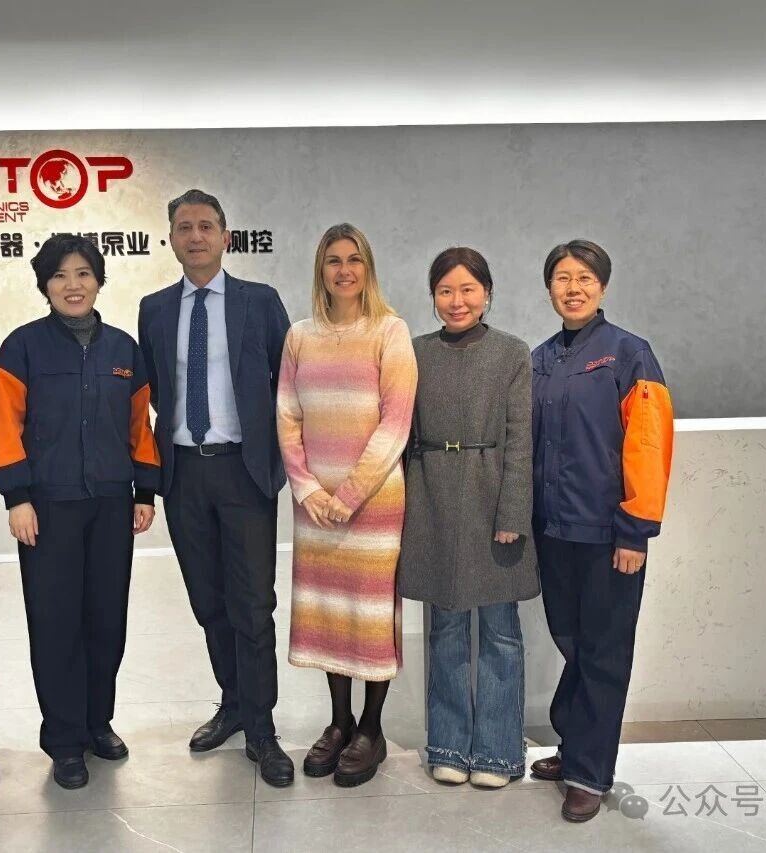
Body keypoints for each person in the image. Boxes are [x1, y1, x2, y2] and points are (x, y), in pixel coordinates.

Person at [0, 234, 161, 789]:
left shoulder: (123, 351)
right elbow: (3, 426)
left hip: (111, 504)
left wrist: (144, 492)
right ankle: (64, 740)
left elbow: (139, 426)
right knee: (56, 622)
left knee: (106, 619)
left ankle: (97, 723)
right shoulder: (22, 348)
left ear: (99, 281)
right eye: (60, 275)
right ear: (45, 285)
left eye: (83, 273)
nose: (73, 285)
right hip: (49, 507)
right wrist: (16, 497)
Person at [136, 189, 294, 787]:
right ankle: (232, 703)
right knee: (209, 601)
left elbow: (288, 380)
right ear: (171, 240)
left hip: (243, 470)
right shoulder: (154, 309)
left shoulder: (260, 301)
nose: (195, 236)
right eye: (184, 227)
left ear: (226, 237)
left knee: (252, 605)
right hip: (183, 472)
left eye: (206, 226)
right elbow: (150, 392)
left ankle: (262, 729)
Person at [528, 239, 674, 822]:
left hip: (610, 536)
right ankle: (574, 744)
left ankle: (589, 772)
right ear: (549, 289)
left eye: (585, 278)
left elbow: (648, 444)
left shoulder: (628, 354)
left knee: (604, 651)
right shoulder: (539, 359)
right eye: (563, 278)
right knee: (572, 642)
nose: (574, 288)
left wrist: (635, 530)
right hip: (554, 532)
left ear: (603, 287)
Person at [276, 223, 417, 787]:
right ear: (321, 269)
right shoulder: (299, 336)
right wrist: (309, 490)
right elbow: (287, 416)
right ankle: (339, 722)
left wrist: (351, 493)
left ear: (368, 268)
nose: (344, 270)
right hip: (316, 507)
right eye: (333, 260)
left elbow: (396, 422)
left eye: (354, 259)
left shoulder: (390, 331)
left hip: (374, 503)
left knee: (370, 614)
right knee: (331, 613)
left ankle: (371, 729)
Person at [397, 247, 539, 788]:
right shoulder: (416, 352)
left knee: (500, 630)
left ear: (488, 293)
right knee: (446, 629)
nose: (457, 301)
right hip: (431, 496)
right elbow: (401, 431)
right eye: (445, 291)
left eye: (468, 289)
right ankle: (448, 747)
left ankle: (499, 753)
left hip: (492, 493)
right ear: (433, 297)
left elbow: (520, 440)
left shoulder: (511, 353)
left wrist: (513, 511)